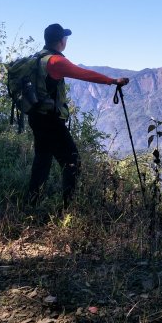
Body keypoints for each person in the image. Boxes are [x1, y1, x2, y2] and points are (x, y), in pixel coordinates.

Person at [26, 23, 129, 209]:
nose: (65, 41)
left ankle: (30, 204)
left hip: (35, 116)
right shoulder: (56, 61)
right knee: (72, 161)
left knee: (42, 159)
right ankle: (68, 209)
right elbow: (84, 74)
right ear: (60, 41)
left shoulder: (37, 58)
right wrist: (113, 81)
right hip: (50, 120)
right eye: (64, 38)